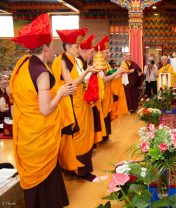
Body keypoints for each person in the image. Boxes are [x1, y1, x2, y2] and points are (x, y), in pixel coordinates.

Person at [10, 13, 77, 207]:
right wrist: (61, 93)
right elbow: (45, 109)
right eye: (51, 45)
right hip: (40, 136)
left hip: (27, 133)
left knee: (39, 177)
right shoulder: (41, 73)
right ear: (45, 47)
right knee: (45, 174)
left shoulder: (22, 64)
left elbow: (13, 95)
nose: (52, 49)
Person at [52, 28, 104, 182]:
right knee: (78, 136)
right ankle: (79, 170)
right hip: (72, 104)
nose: (79, 49)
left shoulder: (77, 61)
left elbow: (83, 83)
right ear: (67, 46)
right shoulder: (61, 61)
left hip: (83, 101)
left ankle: (78, 168)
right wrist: (86, 71)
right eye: (76, 46)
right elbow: (71, 84)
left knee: (86, 135)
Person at [93, 35, 126, 141]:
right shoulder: (98, 64)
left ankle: (105, 136)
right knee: (103, 114)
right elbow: (102, 80)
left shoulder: (106, 63)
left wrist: (117, 73)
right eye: (106, 52)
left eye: (108, 52)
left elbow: (109, 75)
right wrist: (117, 72)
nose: (108, 54)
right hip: (102, 93)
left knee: (107, 115)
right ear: (100, 53)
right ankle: (102, 137)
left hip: (108, 92)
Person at [78, 34, 107, 145]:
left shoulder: (84, 62)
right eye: (91, 52)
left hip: (90, 97)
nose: (92, 55)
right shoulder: (79, 62)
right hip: (83, 98)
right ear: (84, 51)